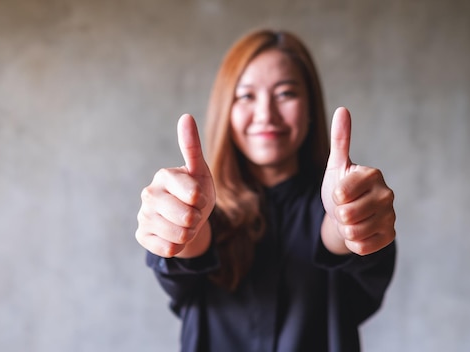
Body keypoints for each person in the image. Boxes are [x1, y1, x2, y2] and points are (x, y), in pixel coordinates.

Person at [135, 29, 397, 352]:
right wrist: (181, 225)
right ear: (225, 110)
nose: (266, 115)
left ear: (311, 108)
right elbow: (194, 249)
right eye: (246, 96)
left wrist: (349, 219)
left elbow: (335, 236)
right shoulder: (203, 207)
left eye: (286, 93)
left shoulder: (337, 200)